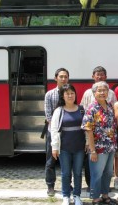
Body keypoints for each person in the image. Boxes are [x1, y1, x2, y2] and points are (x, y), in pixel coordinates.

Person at [81, 81, 118, 205]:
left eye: (104, 90)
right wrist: (92, 150)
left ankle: (105, 195)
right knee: (96, 174)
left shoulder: (110, 106)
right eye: (99, 90)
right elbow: (88, 130)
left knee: (108, 173)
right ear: (94, 93)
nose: (102, 93)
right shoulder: (92, 108)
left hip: (110, 147)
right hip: (97, 148)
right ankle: (95, 198)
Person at [51, 84, 85, 205]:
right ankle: (66, 196)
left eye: (72, 93)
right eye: (67, 93)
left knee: (77, 173)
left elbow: (86, 128)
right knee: (65, 173)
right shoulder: (59, 111)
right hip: (64, 148)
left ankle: (77, 196)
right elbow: (54, 129)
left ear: (75, 95)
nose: (70, 95)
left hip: (79, 148)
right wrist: (54, 147)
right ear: (63, 96)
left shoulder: (81, 109)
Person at [44, 68, 69, 196]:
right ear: (56, 78)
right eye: (61, 76)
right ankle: (50, 185)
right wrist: (57, 129)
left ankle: (68, 185)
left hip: (67, 133)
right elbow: (48, 116)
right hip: (53, 132)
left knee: (67, 160)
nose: (63, 79)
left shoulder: (70, 93)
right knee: (50, 160)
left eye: (65, 77)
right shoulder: (49, 94)